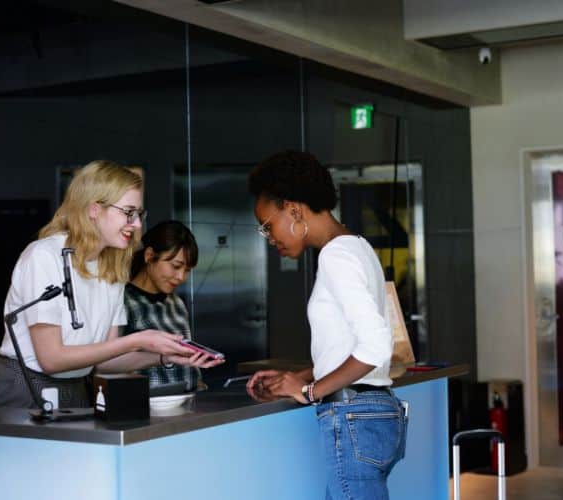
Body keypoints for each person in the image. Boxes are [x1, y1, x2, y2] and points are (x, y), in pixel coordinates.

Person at [245, 151, 408, 500]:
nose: (269, 236)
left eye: (267, 225)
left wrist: (308, 393)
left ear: (293, 209)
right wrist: (303, 377)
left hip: (354, 417)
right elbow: (355, 346)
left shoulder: (336, 256)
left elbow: (376, 346)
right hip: (373, 414)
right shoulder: (358, 247)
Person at [0, 160, 197, 409]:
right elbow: (51, 359)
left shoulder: (112, 268)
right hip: (21, 389)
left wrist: (163, 356)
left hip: (75, 390)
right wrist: (137, 340)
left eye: (138, 214)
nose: (136, 224)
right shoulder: (43, 256)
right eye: (128, 212)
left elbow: (104, 361)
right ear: (94, 209)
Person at [101, 220, 223, 388]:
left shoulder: (176, 304)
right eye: (176, 266)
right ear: (149, 256)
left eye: (187, 270)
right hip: (148, 407)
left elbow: (187, 364)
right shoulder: (122, 301)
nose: (181, 277)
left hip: (188, 403)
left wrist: (198, 381)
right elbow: (104, 363)